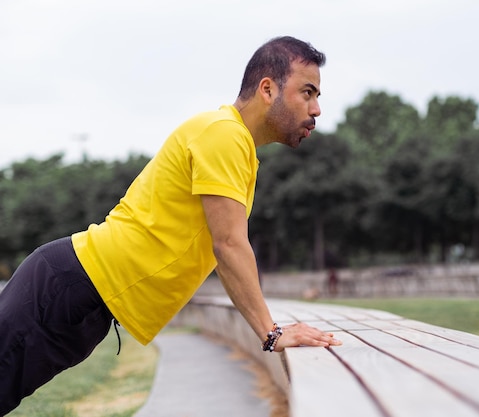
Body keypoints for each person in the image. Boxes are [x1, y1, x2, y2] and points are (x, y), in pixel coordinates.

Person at [0, 35, 342, 415]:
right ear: (267, 89)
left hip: (82, 295)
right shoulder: (224, 134)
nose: (316, 109)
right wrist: (271, 333)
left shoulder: (234, 143)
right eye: (307, 92)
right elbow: (228, 245)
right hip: (67, 287)